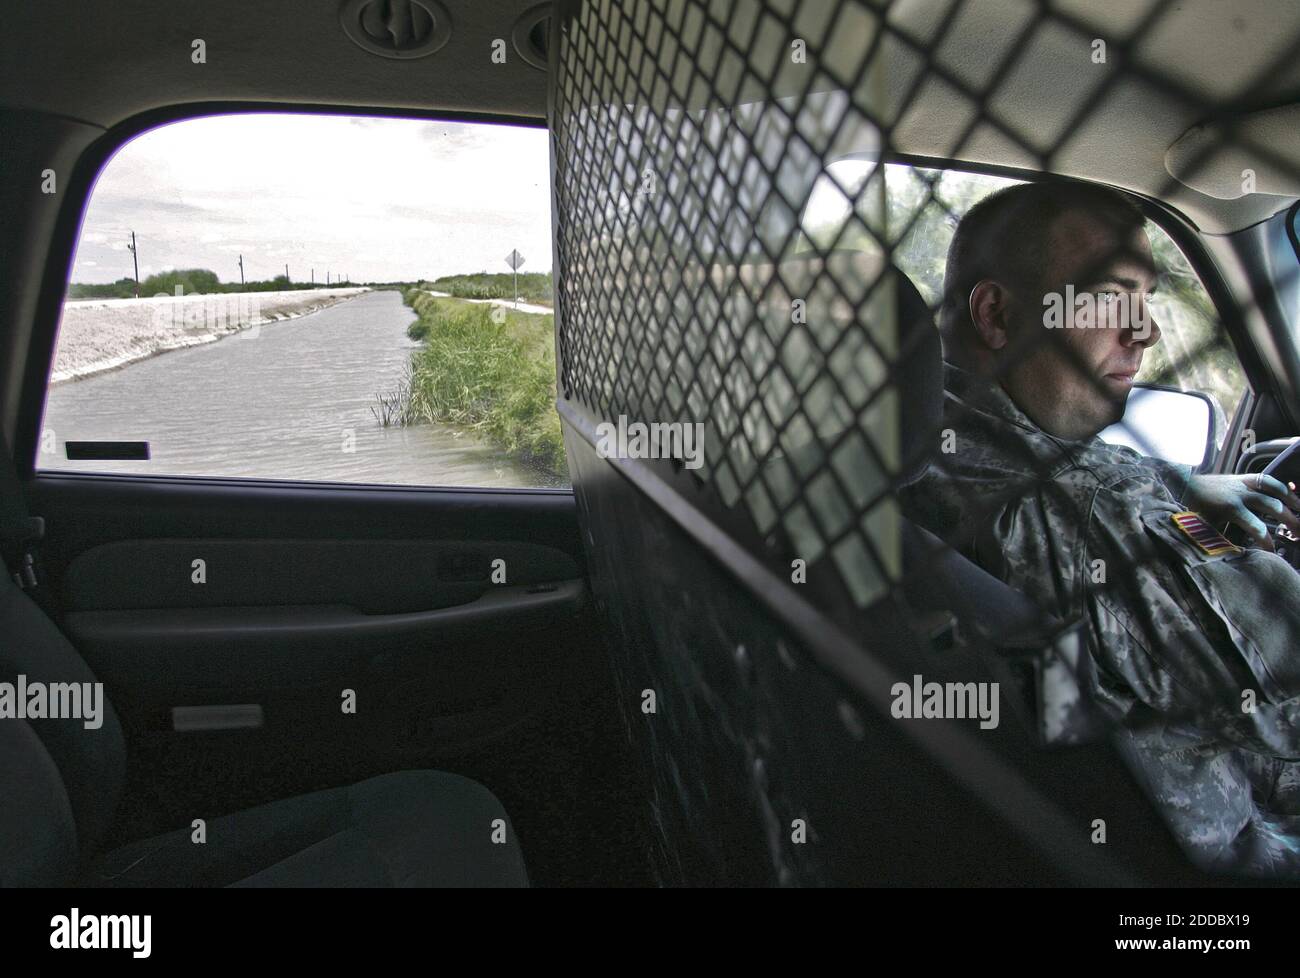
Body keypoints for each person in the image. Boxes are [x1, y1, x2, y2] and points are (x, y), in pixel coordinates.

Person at [900, 179, 1300, 877]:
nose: (1144, 332)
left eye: (1147, 301)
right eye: (1115, 297)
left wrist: (1179, 490)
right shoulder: (1096, 512)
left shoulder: (912, 456)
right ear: (997, 314)